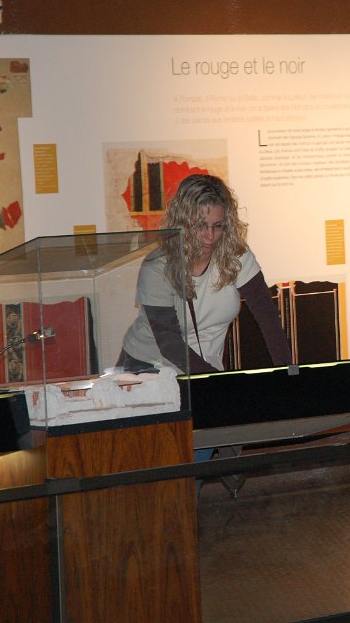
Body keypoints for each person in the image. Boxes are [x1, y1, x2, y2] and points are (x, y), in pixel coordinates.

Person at [118, 173, 291, 480]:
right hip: (150, 367)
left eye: (218, 226)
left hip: (203, 370)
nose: (210, 236)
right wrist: (218, 386)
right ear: (184, 222)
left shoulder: (235, 255)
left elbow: (267, 317)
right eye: (201, 226)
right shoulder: (158, 267)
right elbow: (169, 343)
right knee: (165, 469)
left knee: (194, 466)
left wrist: (288, 374)